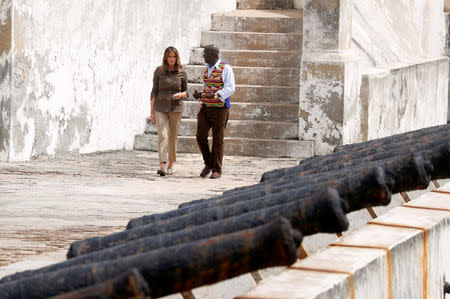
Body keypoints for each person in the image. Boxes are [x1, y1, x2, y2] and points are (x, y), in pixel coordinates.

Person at [193, 44, 236, 179]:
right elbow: (209, 87)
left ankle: (216, 169)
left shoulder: (226, 68)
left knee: (218, 139)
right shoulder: (207, 69)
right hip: (205, 107)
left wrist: (217, 94)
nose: (203, 55)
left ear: (213, 55)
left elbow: (231, 88)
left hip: (220, 109)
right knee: (200, 136)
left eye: (205, 53)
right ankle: (209, 163)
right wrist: (200, 94)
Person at [150, 46, 188, 176]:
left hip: (176, 108)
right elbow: (154, 91)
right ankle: (162, 166)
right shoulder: (159, 71)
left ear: (177, 58)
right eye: (169, 57)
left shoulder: (182, 71)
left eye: (174, 57)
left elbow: (186, 91)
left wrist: (180, 95)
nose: (172, 59)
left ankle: (171, 164)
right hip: (160, 107)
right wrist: (151, 112)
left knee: (173, 136)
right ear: (165, 58)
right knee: (163, 135)